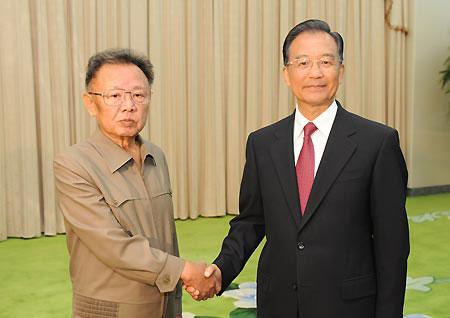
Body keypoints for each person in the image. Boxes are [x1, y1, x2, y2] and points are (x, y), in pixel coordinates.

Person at [188, 19, 410, 317]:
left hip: (348, 306)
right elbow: (251, 221)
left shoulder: (377, 142)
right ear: (287, 74)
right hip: (279, 302)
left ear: (340, 71)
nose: (315, 73)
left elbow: (392, 245)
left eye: (326, 62)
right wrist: (221, 270)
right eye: (303, 62)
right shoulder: (263, 143)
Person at [54, 48, 217, 318]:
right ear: (90, 103)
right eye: (114, 95)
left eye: (138, 95)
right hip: (111, 311)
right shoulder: (73, 164)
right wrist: (185, 271)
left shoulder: (156, 155)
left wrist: (175, 300)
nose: (129, 105)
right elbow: (112, 245)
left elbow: (167, 237)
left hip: (164, 305)